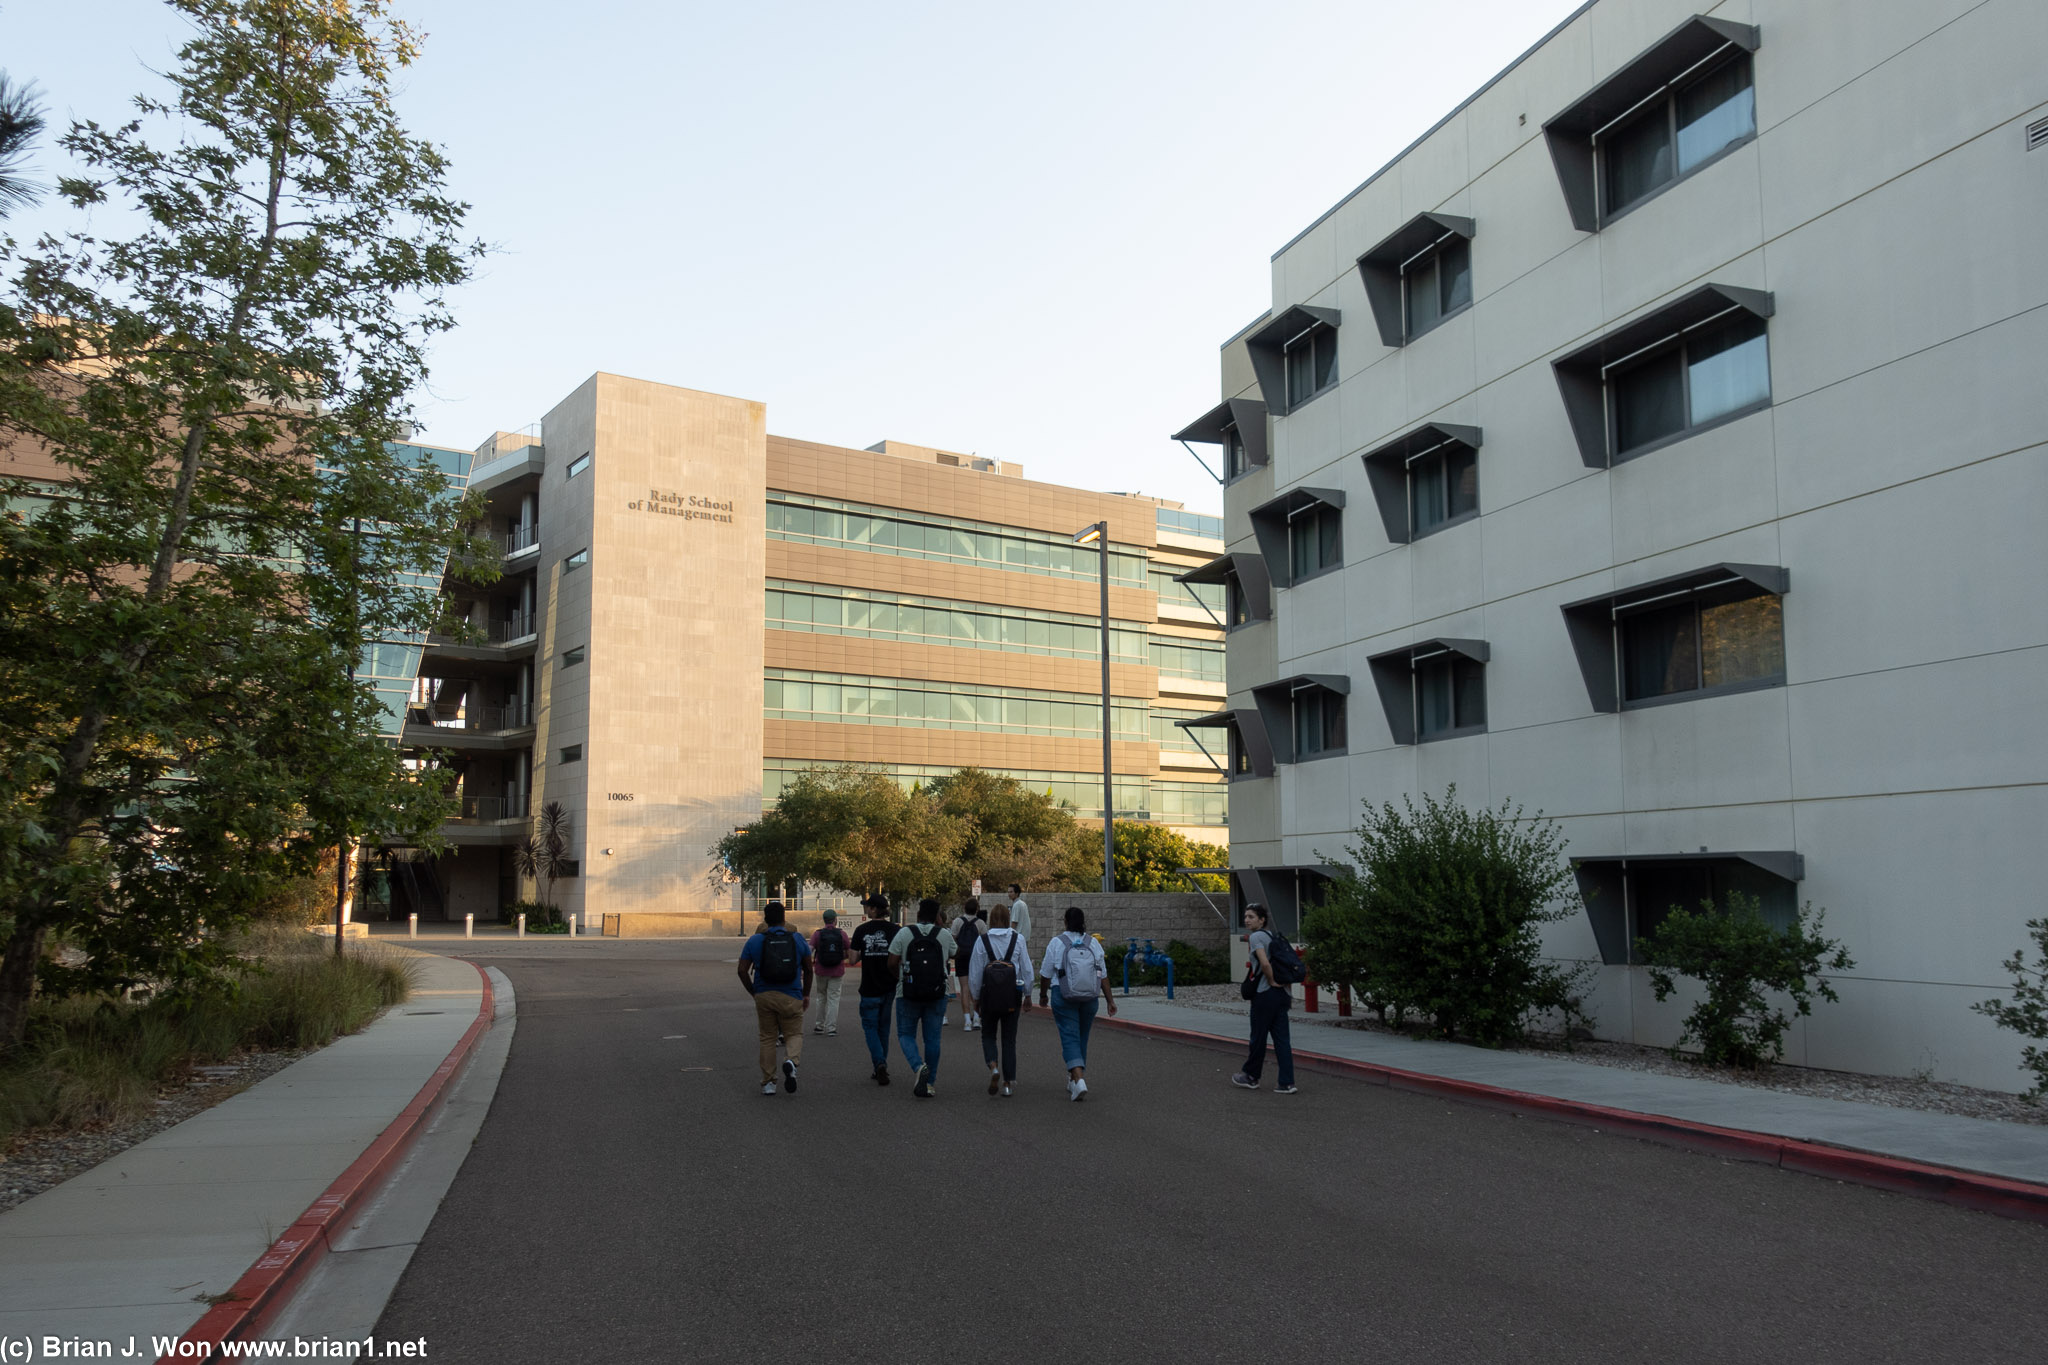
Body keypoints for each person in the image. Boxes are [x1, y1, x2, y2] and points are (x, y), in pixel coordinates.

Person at [737, 901, 813, 1096]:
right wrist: (806, 994)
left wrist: (754, 991)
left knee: (768, 1038)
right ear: (784, 919)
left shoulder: (755, 941)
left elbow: (742, 970)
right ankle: (791, 1061)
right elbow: (809, 968)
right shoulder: (796, 939)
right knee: (794, 1034)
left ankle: (769, 1082)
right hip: (792, 994)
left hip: (764, 994)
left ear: (765, 919)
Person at [1041, 906, 1115, 1101]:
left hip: (1063, 995)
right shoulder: (1093, 943)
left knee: (1069, 1036)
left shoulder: (1057, 943)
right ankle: (1073, 1079)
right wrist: (1110, 1000)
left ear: (1065, 922)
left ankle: (1079, 1079)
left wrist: (1042, 995)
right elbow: (1103, 974)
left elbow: (1046, 973)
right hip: (1090, 997)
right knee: (1082, 1037)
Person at [887, 898, 956, 1098]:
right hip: (937, 993)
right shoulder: (943, 934)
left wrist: (899, 978)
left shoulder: (904, 933)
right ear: (937, 917)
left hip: (907, 992)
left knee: (905, 1034)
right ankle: (930, 1083)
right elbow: (955, 953)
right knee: (932, 1039)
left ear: (918, 914)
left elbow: (891, 961)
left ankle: (918, 1066)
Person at [965, 901, 1031, 1096]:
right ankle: (1008, 1084)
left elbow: (975, 972)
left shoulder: (982, 940)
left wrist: (975, 998)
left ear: (992, 920)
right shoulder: (1017, 939)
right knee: (1009, 1039)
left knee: (988, 1034)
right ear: (1008, 919)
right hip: (1012, 994)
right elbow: (1026, 968)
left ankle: (993, 1065)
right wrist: (1028, 993)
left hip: (989, 995)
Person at [1231, 902, 1297, 1095]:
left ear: (1262, 920)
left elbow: (1265, 963)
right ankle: (1286, 1082)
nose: (1246, 920)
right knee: (1282, 1040)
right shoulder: (1274, 937)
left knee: (1258, 1038)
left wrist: (1271, 980)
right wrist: (1284, 990)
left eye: (1251, 917)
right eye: (1245, 917)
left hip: (1264, 994)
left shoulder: (1257, 937)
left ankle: (1251, 1076)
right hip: (1282, 995)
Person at [849, 894, 897, 1085]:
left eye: (868, 907)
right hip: (889, 985)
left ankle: (879, 1063)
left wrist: (865, 954)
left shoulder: (861, 930)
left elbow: (852, 959)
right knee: (884, 1028)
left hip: (869, 987)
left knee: (870, 1028)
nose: (866, 910)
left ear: (875, 909)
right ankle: (881, 1065)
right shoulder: (895, 930)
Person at [809, 908, 849, 1037]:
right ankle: (831, 1027)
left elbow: (809, 950)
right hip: (837, 970)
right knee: (833, 998)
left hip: (821, 969)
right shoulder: (842, 934)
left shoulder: (817, 934)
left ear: (824, 920)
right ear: (835, 920)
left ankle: (819, 1025)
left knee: (821, 997)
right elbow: (848, 951)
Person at [952, 895, 985, 1032]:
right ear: (977, 909)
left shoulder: (958, 922)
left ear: (964, 908)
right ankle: (977, 1017)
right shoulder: (981, 923)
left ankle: (966, 1021)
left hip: (962, 957)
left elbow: (952, 939)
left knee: (964, 987)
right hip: (976, 958)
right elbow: (985, 941)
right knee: (976, 987)